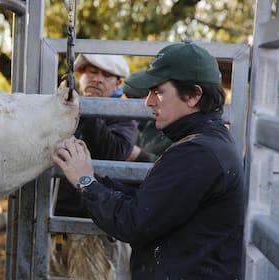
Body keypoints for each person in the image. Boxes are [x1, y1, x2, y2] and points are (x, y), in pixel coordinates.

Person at [52, 41, 244, 279]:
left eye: (158, 92)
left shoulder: (198, 154)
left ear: (194, 95)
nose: (148, 102)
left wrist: (86, 182)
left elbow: (134, 221)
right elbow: (153, 202)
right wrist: (91, 176)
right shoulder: (203, 144)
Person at [51, 54, 138, 280]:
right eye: (91, 71)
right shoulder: (60, 112)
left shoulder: (124, 118)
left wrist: (86, 111)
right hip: (54, 226)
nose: (97, 79)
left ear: (118, 83)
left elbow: (114, 151)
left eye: (107, 75)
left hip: (94, 231)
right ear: (80, 75)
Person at [123, 71, 172, 163]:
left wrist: (141, 156)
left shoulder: (170, 127)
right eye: (128, 97)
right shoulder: (128, 123)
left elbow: (175, 166)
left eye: (137, 97)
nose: (131, 102)